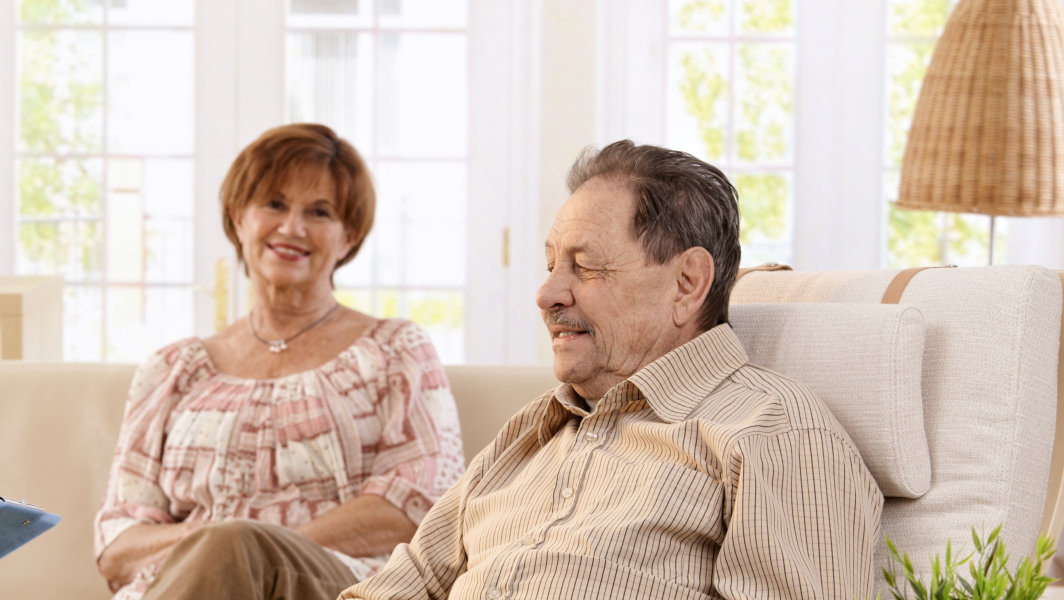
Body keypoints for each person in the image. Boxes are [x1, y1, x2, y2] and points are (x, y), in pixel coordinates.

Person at [340, 140, 883, 600]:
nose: (547, 293)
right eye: (551, 264)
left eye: (586, 267)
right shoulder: (530, 433)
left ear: (687, 283)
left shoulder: (772, 434)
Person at [93, 123, 466, 600]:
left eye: (319, 212)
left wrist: (246, 549)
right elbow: (119, 545)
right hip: (184, 588)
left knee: (231, 546)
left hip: (342, 584)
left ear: (348, 237)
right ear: (238, 218)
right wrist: (212, 552)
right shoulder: (172, 371)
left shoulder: (395, 351)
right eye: (274, 204)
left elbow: (419, 509)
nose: (292, 227)